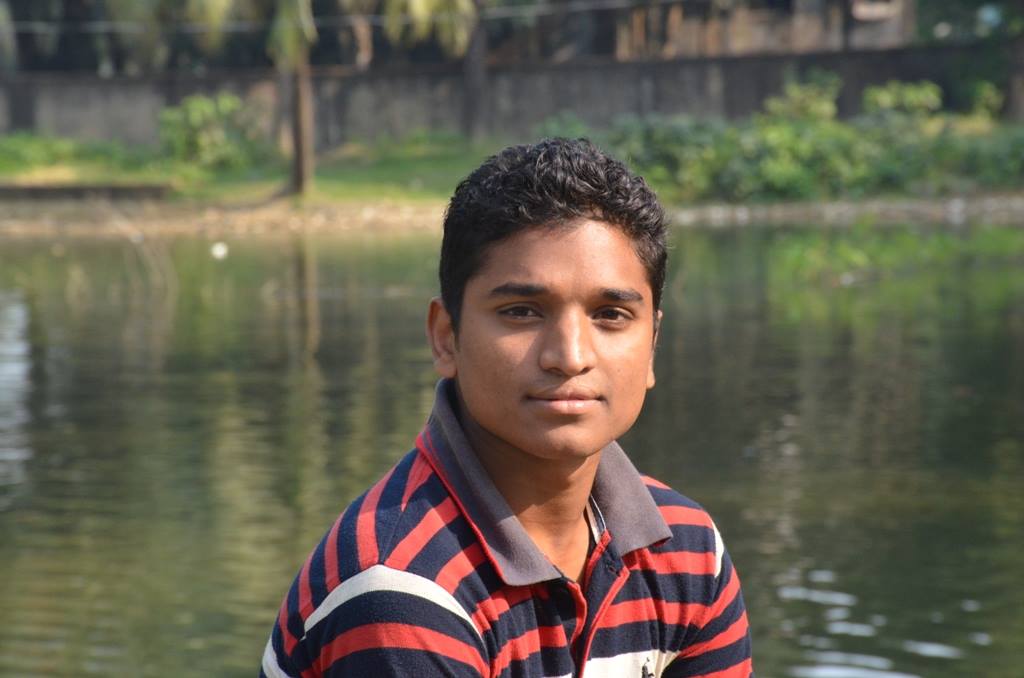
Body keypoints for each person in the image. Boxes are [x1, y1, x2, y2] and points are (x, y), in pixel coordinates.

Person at [260, 138, 752, 678]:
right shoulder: (402, 589)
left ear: (653, 344)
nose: (570, 356)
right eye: (522, 312)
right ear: (446, 337)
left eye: (610, 315)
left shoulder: (687, 549)